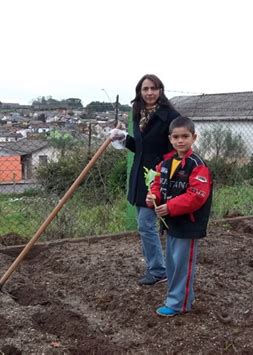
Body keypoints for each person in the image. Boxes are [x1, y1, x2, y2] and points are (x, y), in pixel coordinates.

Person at [109, 74, 180, 285]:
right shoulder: (138, 114)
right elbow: (141, 148)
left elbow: (176, 149)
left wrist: (163, 173)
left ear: (161, 91)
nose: (149, 93)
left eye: (154, 88)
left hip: (159, 178)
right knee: (146, 225)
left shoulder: (170, 117)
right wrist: (123, 138)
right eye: (145, 89)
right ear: (139, 92)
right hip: (141, 176)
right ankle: (157, 267)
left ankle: (158, 270)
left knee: (146, 224)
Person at [146, 116, 212, 316]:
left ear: (194, 137)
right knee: (173, 263)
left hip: (188, 224)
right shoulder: (165, 163)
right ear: (170, 138)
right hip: (172, 222)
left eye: (185, 136)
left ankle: (178, 304)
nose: (180, 140)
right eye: (176, 137)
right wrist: (153, 197)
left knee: (182, 265)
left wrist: (170, 207)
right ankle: (181, 297)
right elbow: (158, 184)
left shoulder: (198, 165)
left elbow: (197, 196)